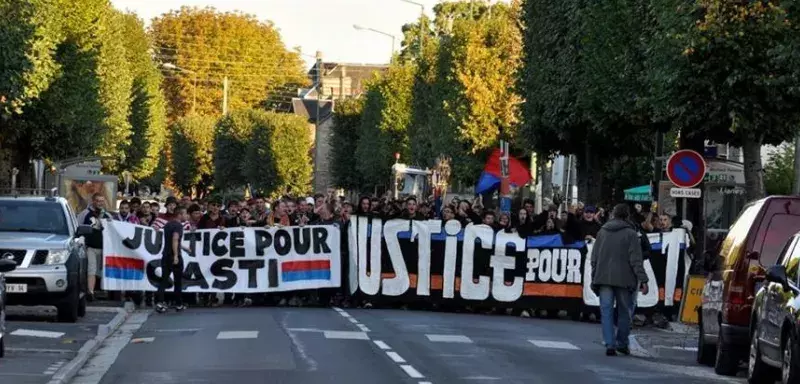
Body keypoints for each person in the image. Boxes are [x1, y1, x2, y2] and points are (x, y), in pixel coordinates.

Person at [591, 204, 649, 356]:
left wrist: (594, 276)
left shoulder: (602, 232)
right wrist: (643, 280)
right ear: (627, 216)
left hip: (603, 277)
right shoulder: (631, 234)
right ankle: (622, 343)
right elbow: (636, 260)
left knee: (606, 311)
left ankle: (609, 344)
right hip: (625, 279)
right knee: (624, 312)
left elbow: (594, 258)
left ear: (613, 215)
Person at [76, 193, 114, 301]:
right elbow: (78, 227)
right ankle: (90, 292)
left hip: (104, 248)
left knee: (103, 270)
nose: (100, 203)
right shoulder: (85, 214)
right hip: (90, 247)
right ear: (93, 201)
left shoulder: (107, 215)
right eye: (98, 200)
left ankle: (104, 291)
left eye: (102, 201)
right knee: (91, 269)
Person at [156, 206, 190, 313]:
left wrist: (185, 248)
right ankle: (178, 304)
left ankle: (160, 303)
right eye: (185, 214)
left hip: (165, 256)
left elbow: (173, 241)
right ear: (179, 214)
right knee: (178, 281)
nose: (186, 216)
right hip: (174, 256)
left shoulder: (168, 225)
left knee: (164, 280)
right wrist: (176, 255)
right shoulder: (178, 226)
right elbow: (175, 239)